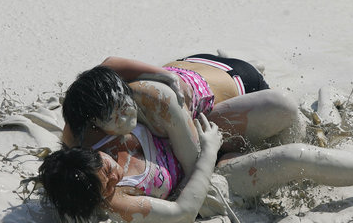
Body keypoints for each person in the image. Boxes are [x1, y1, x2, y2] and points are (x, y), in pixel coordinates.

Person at [39, 111, 353, 223]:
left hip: (187, 154)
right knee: (294, 157)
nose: (112, 176)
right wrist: (208, 153)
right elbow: (183, 211)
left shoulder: (77, 148)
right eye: (106, 184)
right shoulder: (116, 203)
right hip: (204, 187)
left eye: (105, 168)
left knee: (284, 115)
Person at [60, 53, 302, 180]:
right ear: (93, 121)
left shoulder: (159, 102)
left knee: (216, 155)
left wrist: (167, 77)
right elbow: (108, 65)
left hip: (242, 84)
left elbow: (196, 170)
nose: (127, 115)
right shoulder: (82, 119)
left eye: (126, 105)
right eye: (117, 117)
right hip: (196, 62)